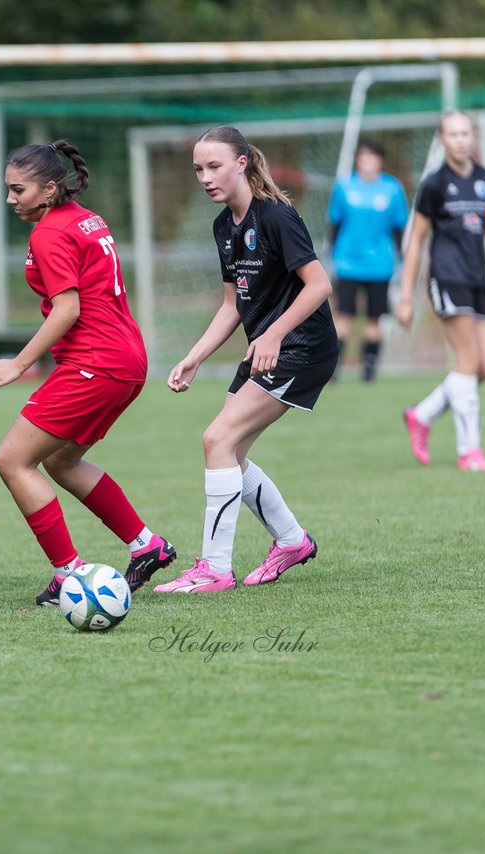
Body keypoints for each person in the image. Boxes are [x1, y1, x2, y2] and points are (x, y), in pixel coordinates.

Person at [0, 139, 176, 606]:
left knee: (12, 460)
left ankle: (70, 574)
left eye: (18, 190)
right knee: (60, 460)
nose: (10, 199)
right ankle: (145, 544)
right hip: (125, 359)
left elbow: (68, 309)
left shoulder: (48, 233)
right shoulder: (86, 217)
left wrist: (19, 364)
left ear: (49, 188)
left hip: (97, 361)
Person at [155, 126, 339, 593]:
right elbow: (232, 305)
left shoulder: (276, 216)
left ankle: (215, 569)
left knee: (217, 437)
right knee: (229, 452)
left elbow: (319, 286)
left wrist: (276, 332)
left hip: (302, 348)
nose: (205, 177)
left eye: (214, 166)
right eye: (198, 168)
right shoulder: (224, 227)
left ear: (241, 163)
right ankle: (292, 541)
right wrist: (194, 357)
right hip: (268, 348)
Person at [397, 111, 485, 471]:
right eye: (454, 134)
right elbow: (416, 242)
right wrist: (405, 296)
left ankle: (421, 415)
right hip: (448, 279)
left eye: (466, 133)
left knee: (483, 368)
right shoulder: (434, 185)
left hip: (480, 280)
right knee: (466, 362)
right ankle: (470, 452)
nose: (462, 139)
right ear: (442, 140)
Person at [327, 138, 409, 382]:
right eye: (363, 157)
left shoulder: (392, 189)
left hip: (380, 265)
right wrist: (331, 259)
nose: (367, 162)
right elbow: (335, 224)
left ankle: (369, 368)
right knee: (343, 315)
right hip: (347, 263)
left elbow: (398, 230)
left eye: (372, 157)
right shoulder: (344, 187)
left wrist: (402, 262)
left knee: (375, 317)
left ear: (380, 161)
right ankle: (334, 366)